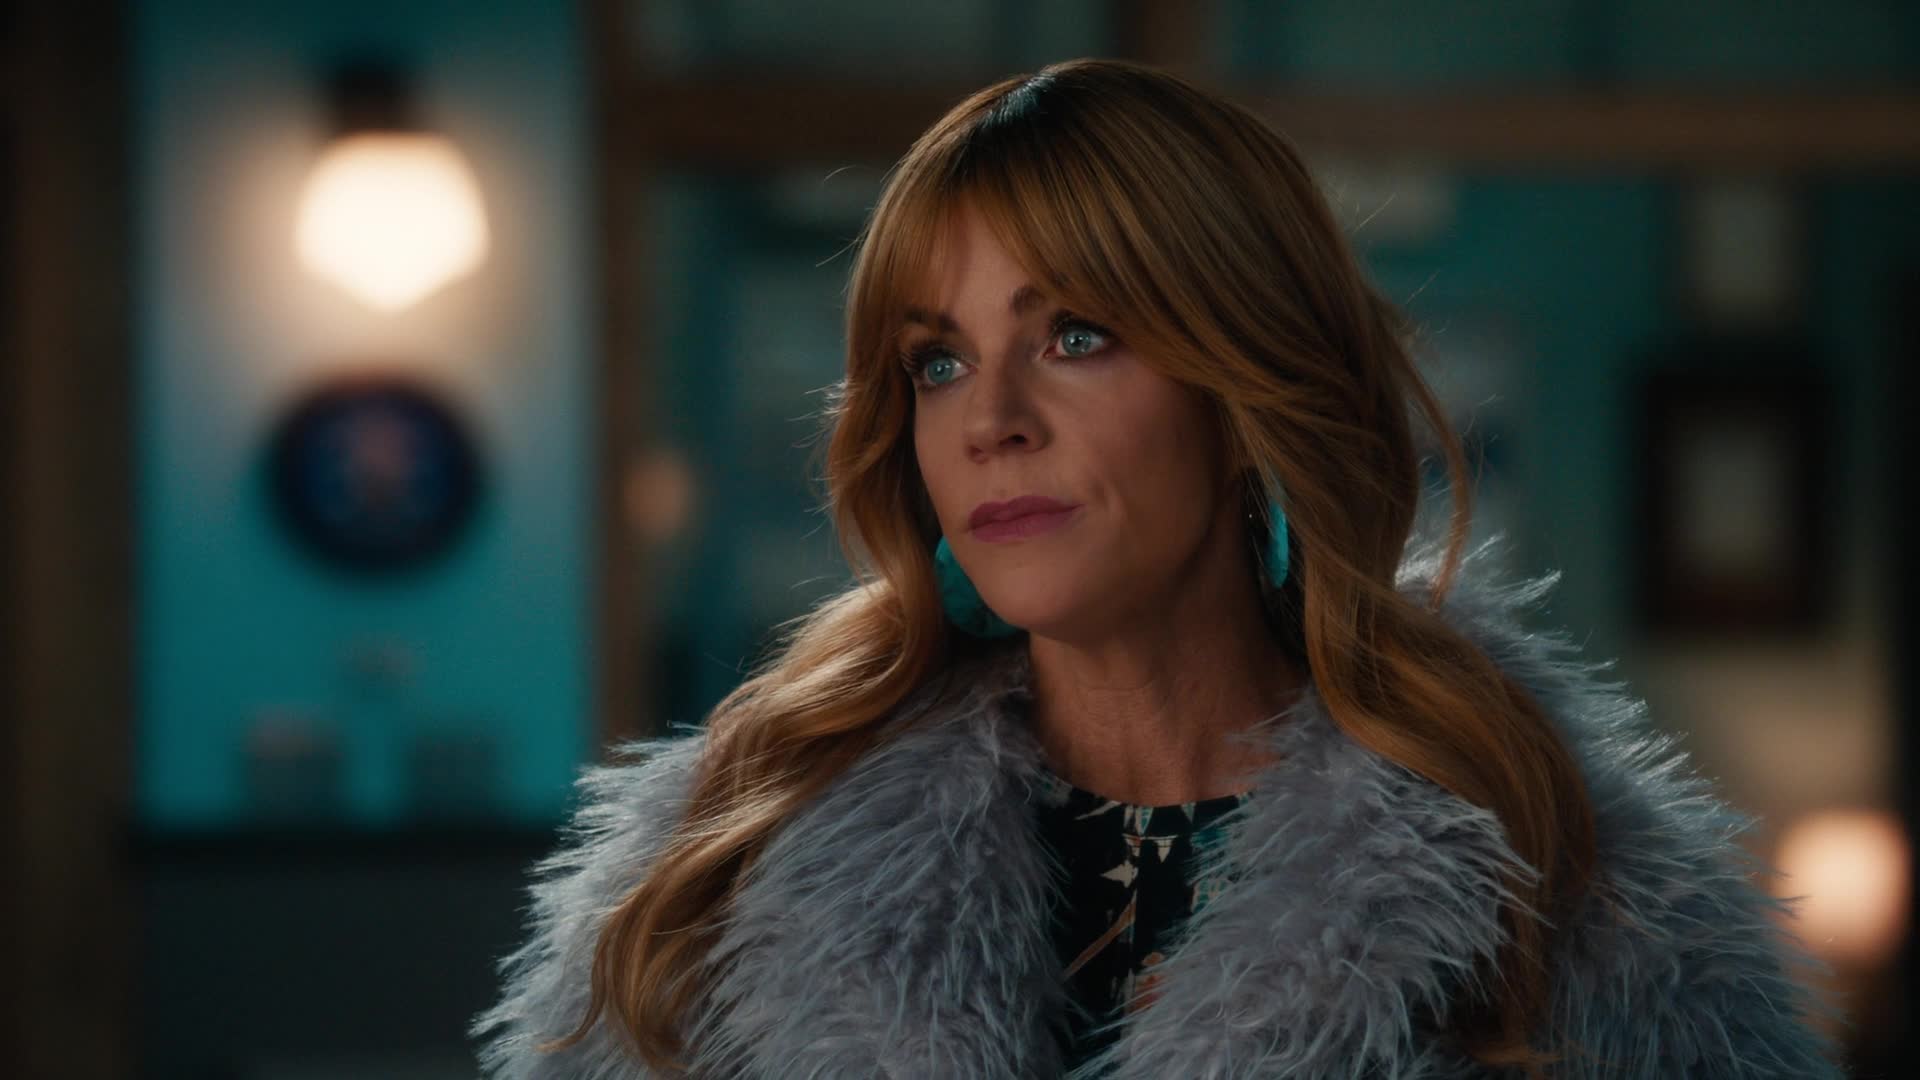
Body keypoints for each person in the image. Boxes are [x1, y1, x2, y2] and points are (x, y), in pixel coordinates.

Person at [472, 58, 1843, 1078]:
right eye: (937, 361)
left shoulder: (1574, 889)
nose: (990, 418)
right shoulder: (726, 866)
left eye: (1074, 336)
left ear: (1243, 387)